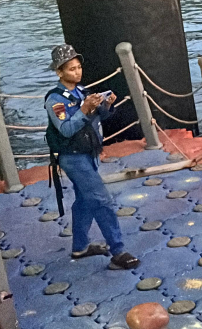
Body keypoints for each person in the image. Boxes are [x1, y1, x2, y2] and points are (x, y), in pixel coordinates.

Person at [44, 44, 138, 270]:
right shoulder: (55, 100)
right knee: (101, 200)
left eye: (78, 68)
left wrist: (106, 106)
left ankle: (80, 247)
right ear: (59, 72)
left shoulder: (82, 92)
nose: (77, 72)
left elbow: (97, 118)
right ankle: (118, 251)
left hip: (89, 154)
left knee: (85, 201)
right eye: (71, 69)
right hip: (73, 157)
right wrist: (84, 109)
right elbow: (66, 129)